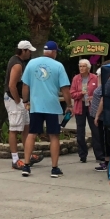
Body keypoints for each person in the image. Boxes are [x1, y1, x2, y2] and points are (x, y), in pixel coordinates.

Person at [20, 41, 72, 178]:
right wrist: (69, 105)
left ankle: (26, 165)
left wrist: (25, 101)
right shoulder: (58, 66)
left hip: (36, 106)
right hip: (52, 106)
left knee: (32, 134)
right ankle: (54, 168)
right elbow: (65, 89)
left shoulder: (31, 64)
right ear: (54, 52)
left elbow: (25, 85)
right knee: (54, 136)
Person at [4, 40, 38, 170]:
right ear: (23, 51)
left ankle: (27, 154)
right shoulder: (17, 64)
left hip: (19, 100)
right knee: (14, 128)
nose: (30, 53)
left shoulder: (21, 62)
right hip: (14, 100)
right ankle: (15, 159)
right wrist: (19, 101)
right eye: (29, 51)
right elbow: (12, 85)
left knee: (26, 126)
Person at [71, 59, 99, 163]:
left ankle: (99, 154)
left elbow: (99, 91)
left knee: (95, 131)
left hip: (92, 106)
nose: (81, 68)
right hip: (80, 106)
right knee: (80, 132)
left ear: (88, 68)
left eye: (83, 66)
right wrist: (80, 94)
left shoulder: (94, 78)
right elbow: (72, 93)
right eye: (80, 66)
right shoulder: (76, 78)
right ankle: (82, 155)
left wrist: (92, 97)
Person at [89, 65, 107, 171]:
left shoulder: (106, 85)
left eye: (99, 75)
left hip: (101, 116)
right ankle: (104, 160)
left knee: (102, 138)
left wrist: (97, 115)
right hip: (98, 116)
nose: (98, 77)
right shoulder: (104, 84)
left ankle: (105, 160)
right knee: (99, 137)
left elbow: (102, 101)